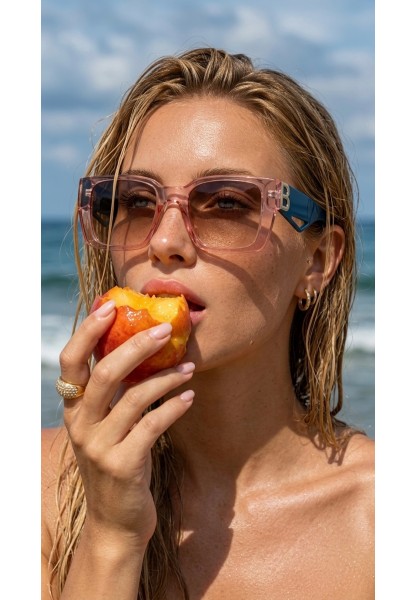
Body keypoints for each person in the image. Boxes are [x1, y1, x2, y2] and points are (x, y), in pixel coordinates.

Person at [41, 47, 374, 599]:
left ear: (316, 261)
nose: (164, 241)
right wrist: (111, 536)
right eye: (136, 202)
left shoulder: (380, 519)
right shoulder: (36, 489)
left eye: (226, 203)